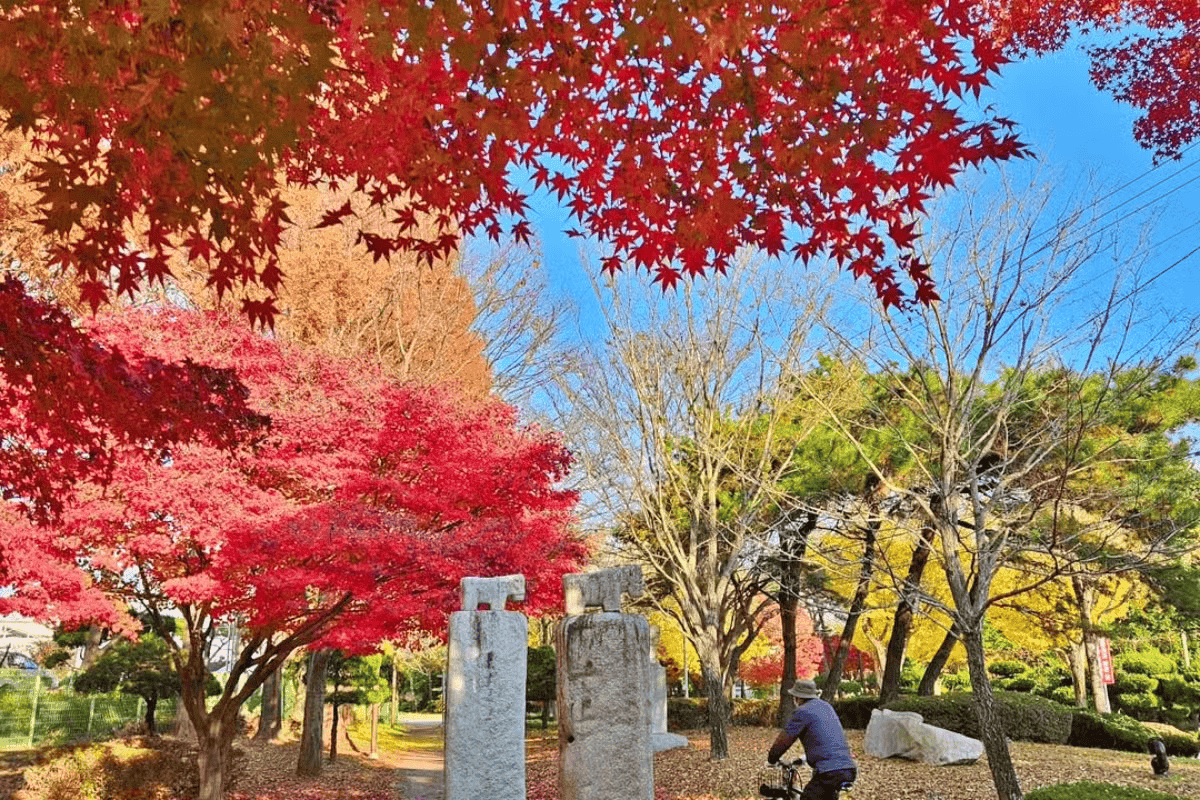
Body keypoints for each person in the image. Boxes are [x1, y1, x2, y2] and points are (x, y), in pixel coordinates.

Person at [766, 680, 857, 800]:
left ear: (798, 697)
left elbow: (784, 740)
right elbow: (826, 740)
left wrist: (772, 758)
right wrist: (803, 758)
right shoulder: (826, 707)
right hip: (848, 768)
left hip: (829, 772)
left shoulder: (802, 712)